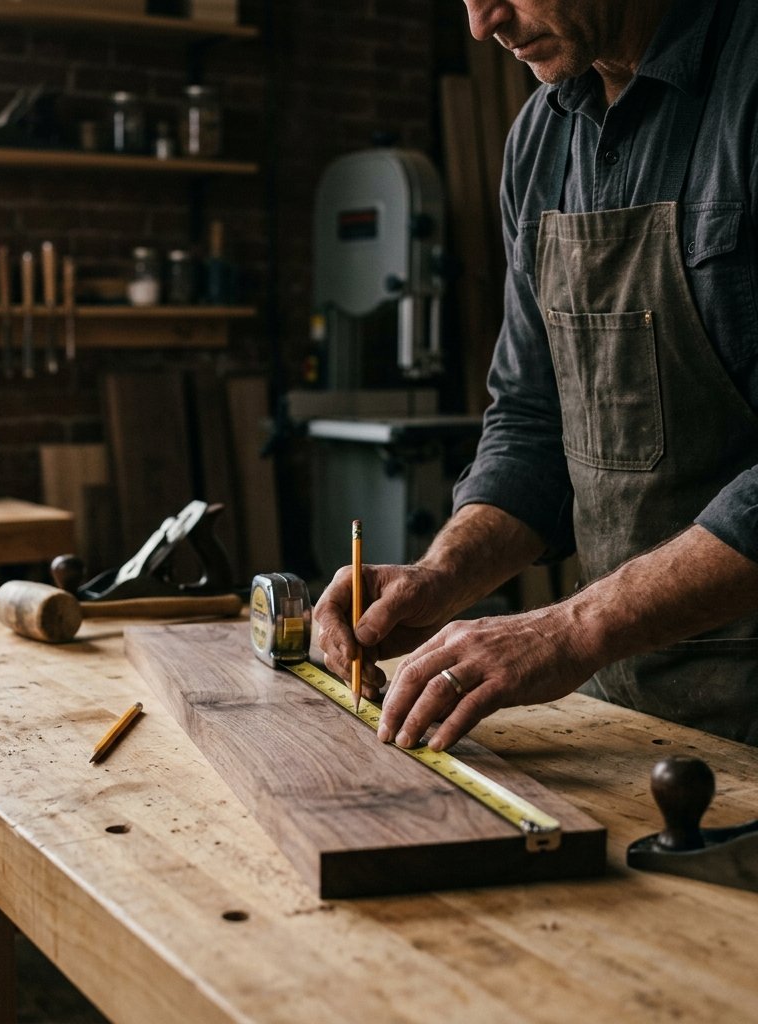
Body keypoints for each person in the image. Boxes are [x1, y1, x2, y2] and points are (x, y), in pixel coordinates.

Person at [314, 0, 758, 750]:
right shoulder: (541, 139)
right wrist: (442, 574)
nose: (482, 23)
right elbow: (532, 422)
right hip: (628, 710)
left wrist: (574, 628)